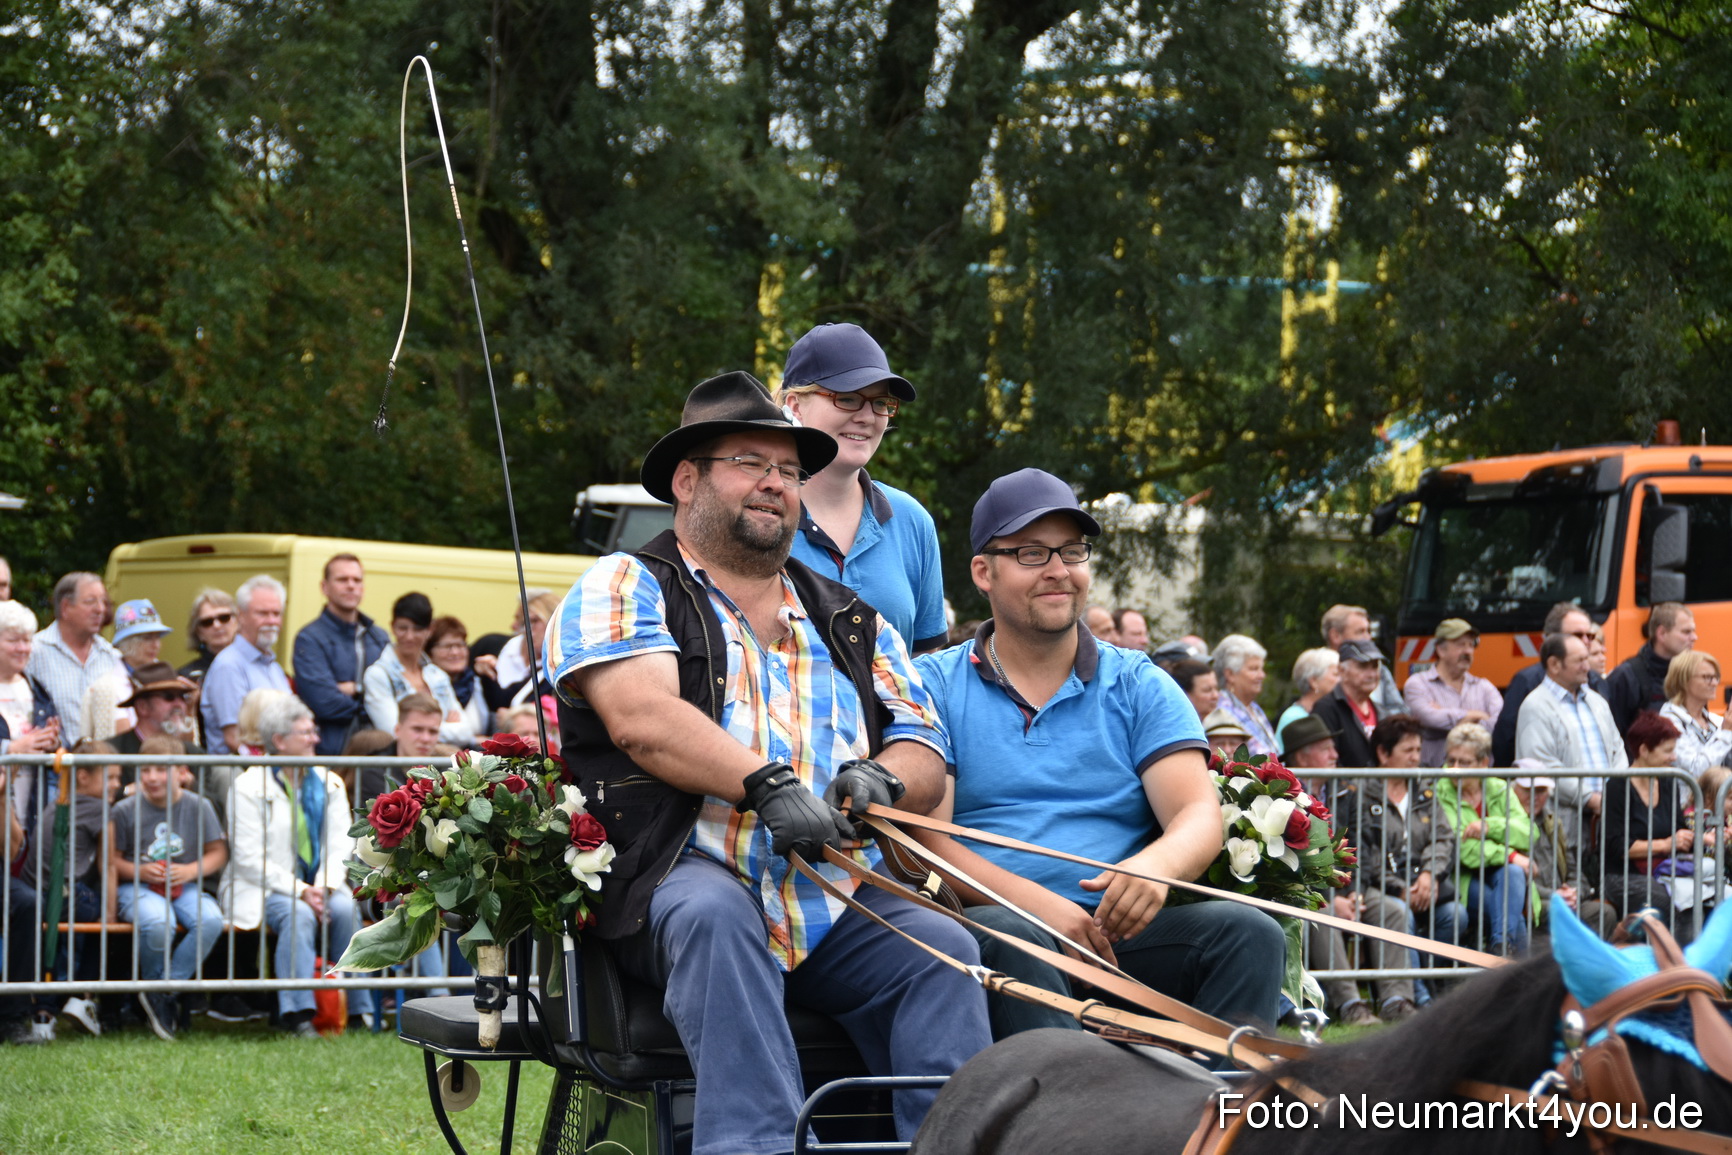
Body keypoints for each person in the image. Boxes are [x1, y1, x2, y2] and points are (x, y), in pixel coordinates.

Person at [547, 370, 990, 1153]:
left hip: (828, 897)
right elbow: (643, 719)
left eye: (789, 469)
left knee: (944, 951)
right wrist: (766, 782)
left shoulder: (851, 618)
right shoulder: (625, 582)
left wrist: (884, 778)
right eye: (750, 462)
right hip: (678, 875)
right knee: (716, 917)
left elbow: (926, 745)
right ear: (687, 480)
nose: (776, 483)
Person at [911, 467, 1283, 1041]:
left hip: (1118, 937)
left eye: (1072, 551)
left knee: (1250, 933)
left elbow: (1197, 813)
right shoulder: (931, 683)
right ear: (983, 572)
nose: (1059, 570)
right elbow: (929, 842)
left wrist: (1156, 867)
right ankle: (1066, 1099)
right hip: (996, 929)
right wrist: (1043, 909)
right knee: (1016, 938)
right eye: (1031, 553)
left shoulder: (1138, 682)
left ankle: (1217, 1097)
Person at [777, 322, 947, 655]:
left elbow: (925, 662)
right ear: (795, 405)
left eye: (881, 402)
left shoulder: (912, 521)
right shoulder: (759, 512)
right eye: (848, 398)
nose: (868, 417)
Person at [220, 694, 357, 1038]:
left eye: (313, 731)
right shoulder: (247, 785)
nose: (315, 739)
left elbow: (342, 842)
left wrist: (324, 886)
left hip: (322, 884)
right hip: (266, 888)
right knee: (298, 915)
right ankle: (298, 1014)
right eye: (306, 733)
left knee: (345, 909)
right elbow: (248, 858)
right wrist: (302, 891)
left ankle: (353, 1009)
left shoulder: (329, 781)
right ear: (279, 741)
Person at [1332, 714, 1462, 1019]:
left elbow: (1443, 837)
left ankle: (1433, 990)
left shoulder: (1424, 790)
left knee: (1456, 915)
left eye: (1418, 750)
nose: (1416, 757)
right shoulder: (1362, 792)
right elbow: (1365, 850)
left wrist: (1430, 874)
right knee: (1400, 912)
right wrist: (1400, 888)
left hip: (1423, 885)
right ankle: (1416, 998)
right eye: (1408, 750)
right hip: (1381, 885)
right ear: (1383, 753)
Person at [111, 736, 228, 1041]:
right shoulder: (124, 809)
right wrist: (139, 870)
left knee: (211, 919)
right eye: (145, 769)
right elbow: (112, 861)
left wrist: (190, 870)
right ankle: (158, 995)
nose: (152, 777)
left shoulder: (199, 805)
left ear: (181, 771)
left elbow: (218, 852)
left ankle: (160, 991)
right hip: (136, 887)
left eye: (161, 770)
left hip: (183, 886)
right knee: (157, 921)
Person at [1515, 633, 1626, 851]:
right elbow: (1542, 766)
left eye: (1587, 658)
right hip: (1563, 828)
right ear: (1554, 664)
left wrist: (1615, 795)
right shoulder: (1535, 706)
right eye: (1580, 661)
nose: (1587, 666)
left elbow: (1617, 749)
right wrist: (1591, 799)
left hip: (1608, 821)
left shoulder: (1597, 701)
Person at [1432, 722, 1528, 957]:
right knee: (1510, 915)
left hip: (1502, 875)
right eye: (1451, 761)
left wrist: (1488, 826)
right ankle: (1505, 953)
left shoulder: (1499, 788)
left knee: (1513, 874)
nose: (1454, 769)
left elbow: (1527, 832)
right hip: (1461, 876)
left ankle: (1500, 948)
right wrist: (1510, 854)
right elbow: (1462, 848)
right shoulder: (1440, 790)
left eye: (1464, 763)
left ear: (1484, 763)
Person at [1599, 712, 1696, 943]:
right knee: (1666, 900)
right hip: (1622, 875)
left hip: (1666, 870)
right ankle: (1674, 960)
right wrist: (1666, 844)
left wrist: (1694, 837)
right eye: (1667, 751)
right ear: (1644, 750)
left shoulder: (1669, 782)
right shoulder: (1617, 787)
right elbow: (1616, 846)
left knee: (1704, 896)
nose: (1674, 757)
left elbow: (1679, 829)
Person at [291, 553, 390, 756]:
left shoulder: (379, 638)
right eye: (342, 580)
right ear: (324, 587)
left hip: (381, 751)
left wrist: (356, 688)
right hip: (333, 754)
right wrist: (376, 703)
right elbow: (325, 703)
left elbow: (397, 690)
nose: (351, 586)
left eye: (357, 580)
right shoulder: (309, 639)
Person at [1491, 603, 1604, 766]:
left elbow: (1614, 742)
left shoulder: (1597, 682)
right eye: (1577, 635)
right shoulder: (1528, 682)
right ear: (1552, 639)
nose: (1586, 642)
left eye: (1590, 636)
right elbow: (1505, 741)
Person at [26, 572, 122, 747]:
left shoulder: (112, 656)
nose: (100, 609)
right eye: (90, 602)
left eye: (103, 601)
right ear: (65, 607)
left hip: (104, 761)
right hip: (54, 761)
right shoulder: (32, 652)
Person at [362, 592, 471, 745]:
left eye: (417, 629)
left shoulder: (437, 675)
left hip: (442, 759)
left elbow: (466, 732)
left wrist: (416, 729)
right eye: (403, 628)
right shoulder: (378, 674)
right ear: (392, 627)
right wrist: (446, 726)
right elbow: (393, 731)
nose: (409, 636)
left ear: (430, 630)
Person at [200, 575, 291, 756]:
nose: (271, 621)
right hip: (243, 769)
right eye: (262, 613)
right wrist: (271, 768)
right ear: (241, 616)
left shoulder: (274, 668)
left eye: (276, 614)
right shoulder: (228, 665)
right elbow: (234, 738)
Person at [1402, 619, 1502, 766]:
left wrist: (1446, 717)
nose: (1468, 651)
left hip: (1478, 778)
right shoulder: (1417, 684)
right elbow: (1430, 718)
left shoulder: (1485, 687)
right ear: (1440, 650)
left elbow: (1499, 726)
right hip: (1432, 775)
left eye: (1471, 645)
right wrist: (1477, 716)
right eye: (1460, 645)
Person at [1605, 602, 1697, 734]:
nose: (1694, 637)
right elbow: (1612, 735)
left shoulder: (1693, 674)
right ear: (1662, 633)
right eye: (1686, 632)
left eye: (1693, 631)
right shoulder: (1626, 677)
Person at [111, 662, 204, 787]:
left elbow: (213, 798)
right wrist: (128, 792)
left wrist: (191, 784)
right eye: (169, 697)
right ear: (142, 707)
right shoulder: (112, 753)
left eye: (182, 697)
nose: (179, 704)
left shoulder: (193, 754)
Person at [354, 692, 442, 809]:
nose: (426, 738)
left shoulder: (446, 771)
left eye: (433, 731)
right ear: (397, 730)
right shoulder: (375, 770)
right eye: (417, 729)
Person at [1311, 638, 1386, 769]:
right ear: (1342, 671)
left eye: (1375, 666)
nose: (1371, 674)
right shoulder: (1326, 709)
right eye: (1363, 666)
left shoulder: (1381, 711)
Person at [1320, 604, 1402, 716]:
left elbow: (1399, 711)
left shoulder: (1379, 670)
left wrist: (1375, 721)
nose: (1368, 638)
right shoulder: (1318, 673)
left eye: (1368, 631)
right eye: (1360, 632)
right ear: (1335, 636)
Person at [1659, 650, 1732, 775]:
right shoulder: (1669, 721)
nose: (1715, 683)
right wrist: (1725, 733)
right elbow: (1695, 769)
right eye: (1707, 677)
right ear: (1684, 680)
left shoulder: (1712, 720)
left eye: (1716, 677)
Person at [1211, 633, 1277, 756]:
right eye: (1254, 669)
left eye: (1261, 669)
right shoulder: (1222, 711)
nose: (1262, 675)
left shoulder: (1254, 709)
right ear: (1230, 674)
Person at [427, 616, 488, 740]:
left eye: (460, 645)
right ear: (430, 652)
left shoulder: (477, 682)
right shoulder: (425, 685)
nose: (455, 652)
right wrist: (471, 738)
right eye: (447, 646)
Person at [1274, 648, 1340, 752]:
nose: (1341, 680)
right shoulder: (1293, 717)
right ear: (1314, 681)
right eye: (1336, 674)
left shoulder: (1332, 712)